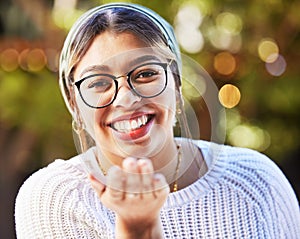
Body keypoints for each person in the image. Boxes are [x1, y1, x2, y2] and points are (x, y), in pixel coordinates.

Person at [15, 3, 300, 239]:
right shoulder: (55, 198)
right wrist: (137, 229)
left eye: (145, 74)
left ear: (175, 86)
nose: (125, 99)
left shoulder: (255, 181)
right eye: (99, 82)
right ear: (75, 106)